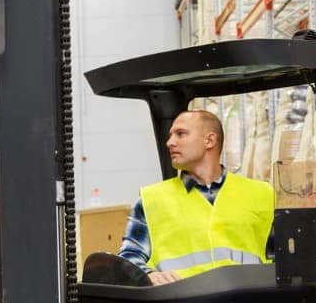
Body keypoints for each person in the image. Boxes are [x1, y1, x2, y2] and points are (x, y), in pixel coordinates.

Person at [117, 109, 275, 285]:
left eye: (180, 134)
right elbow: (128, 259)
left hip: (250, 300)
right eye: (170, 136)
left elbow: (282, 259)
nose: (170, 143)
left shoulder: (262, 194)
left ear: (209, 140)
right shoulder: (151, 200)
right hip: (181, 300)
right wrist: (148, 275)